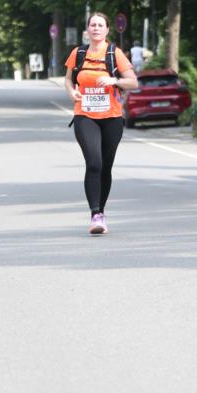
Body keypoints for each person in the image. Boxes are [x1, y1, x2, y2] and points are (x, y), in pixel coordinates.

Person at [64, 12, 138, 234]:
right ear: (87, 30)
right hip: (85, 115)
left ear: (107, 30)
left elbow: (133, 82)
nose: (96, 28)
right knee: (94, 163)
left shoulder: (115, 54)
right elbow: (68, 79)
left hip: (112, 118)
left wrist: (114, 79)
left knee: (106, 166)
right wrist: (71, 93)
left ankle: (101, 213)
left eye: (100, 25)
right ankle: (95, 214)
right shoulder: (78, 53)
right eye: (92, 25)